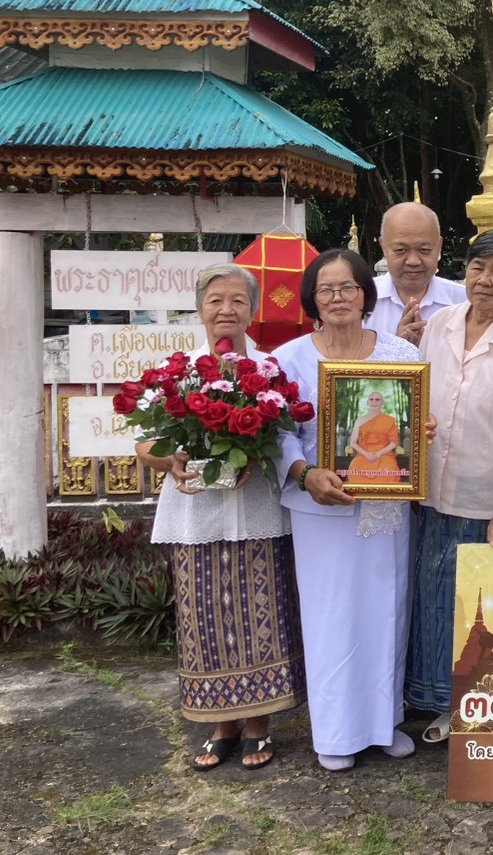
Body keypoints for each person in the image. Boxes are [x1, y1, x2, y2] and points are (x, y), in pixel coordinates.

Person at [143, 265, 306, 772]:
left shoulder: (272, 370)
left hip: (258, 513)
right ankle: (221, 725)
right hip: (197, 516)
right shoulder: (178, 372)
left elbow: (286, 439)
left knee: (263, 617)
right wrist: (167, 459)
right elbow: (144, 439)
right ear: (200, 310)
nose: (226, 311)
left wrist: (252, 457)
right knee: (205, 618)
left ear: (252, 311)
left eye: (238, 302)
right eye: (216, 301)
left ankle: (259, 726)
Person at [276, 249, 433, 772]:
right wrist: (304, 473)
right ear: (311, 299)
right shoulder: (289, 359)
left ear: (366, 292)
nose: (338, 298)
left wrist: (420, 432)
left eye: (348, 287)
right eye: (326, 289)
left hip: (385, 508)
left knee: (386, 610)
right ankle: (337, 734)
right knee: (331, 617)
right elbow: (278, 437)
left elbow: (413, 420)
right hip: (320, 510)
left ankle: (382, 724)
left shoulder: (398, 354)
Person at [409, 230, 493, 744]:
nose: (484, 281)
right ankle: (438, 701)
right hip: (436, 489)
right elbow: (416, 395)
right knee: (438, 599)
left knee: (488, 608)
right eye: (477, 267)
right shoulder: (440, 324)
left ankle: (482, 708)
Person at [365, 202, 466, 347]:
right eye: (401, 250)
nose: (413, 261)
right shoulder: (360, 298)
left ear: (439, 247)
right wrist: (395, 349)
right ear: (384, 247)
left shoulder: (463, 301)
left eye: (424, 250)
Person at [345, 392, 404, 486]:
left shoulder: (389, 420)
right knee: (354, 470)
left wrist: (379, 454)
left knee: (388, 471)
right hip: (363, 454)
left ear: (382, 403)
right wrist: (366, 454)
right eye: (371, 399)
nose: (374, 402)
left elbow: (393, 443)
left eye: (377, 400)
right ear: (368, 403)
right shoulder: (359, 421)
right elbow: (353, 443)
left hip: (384, 454)